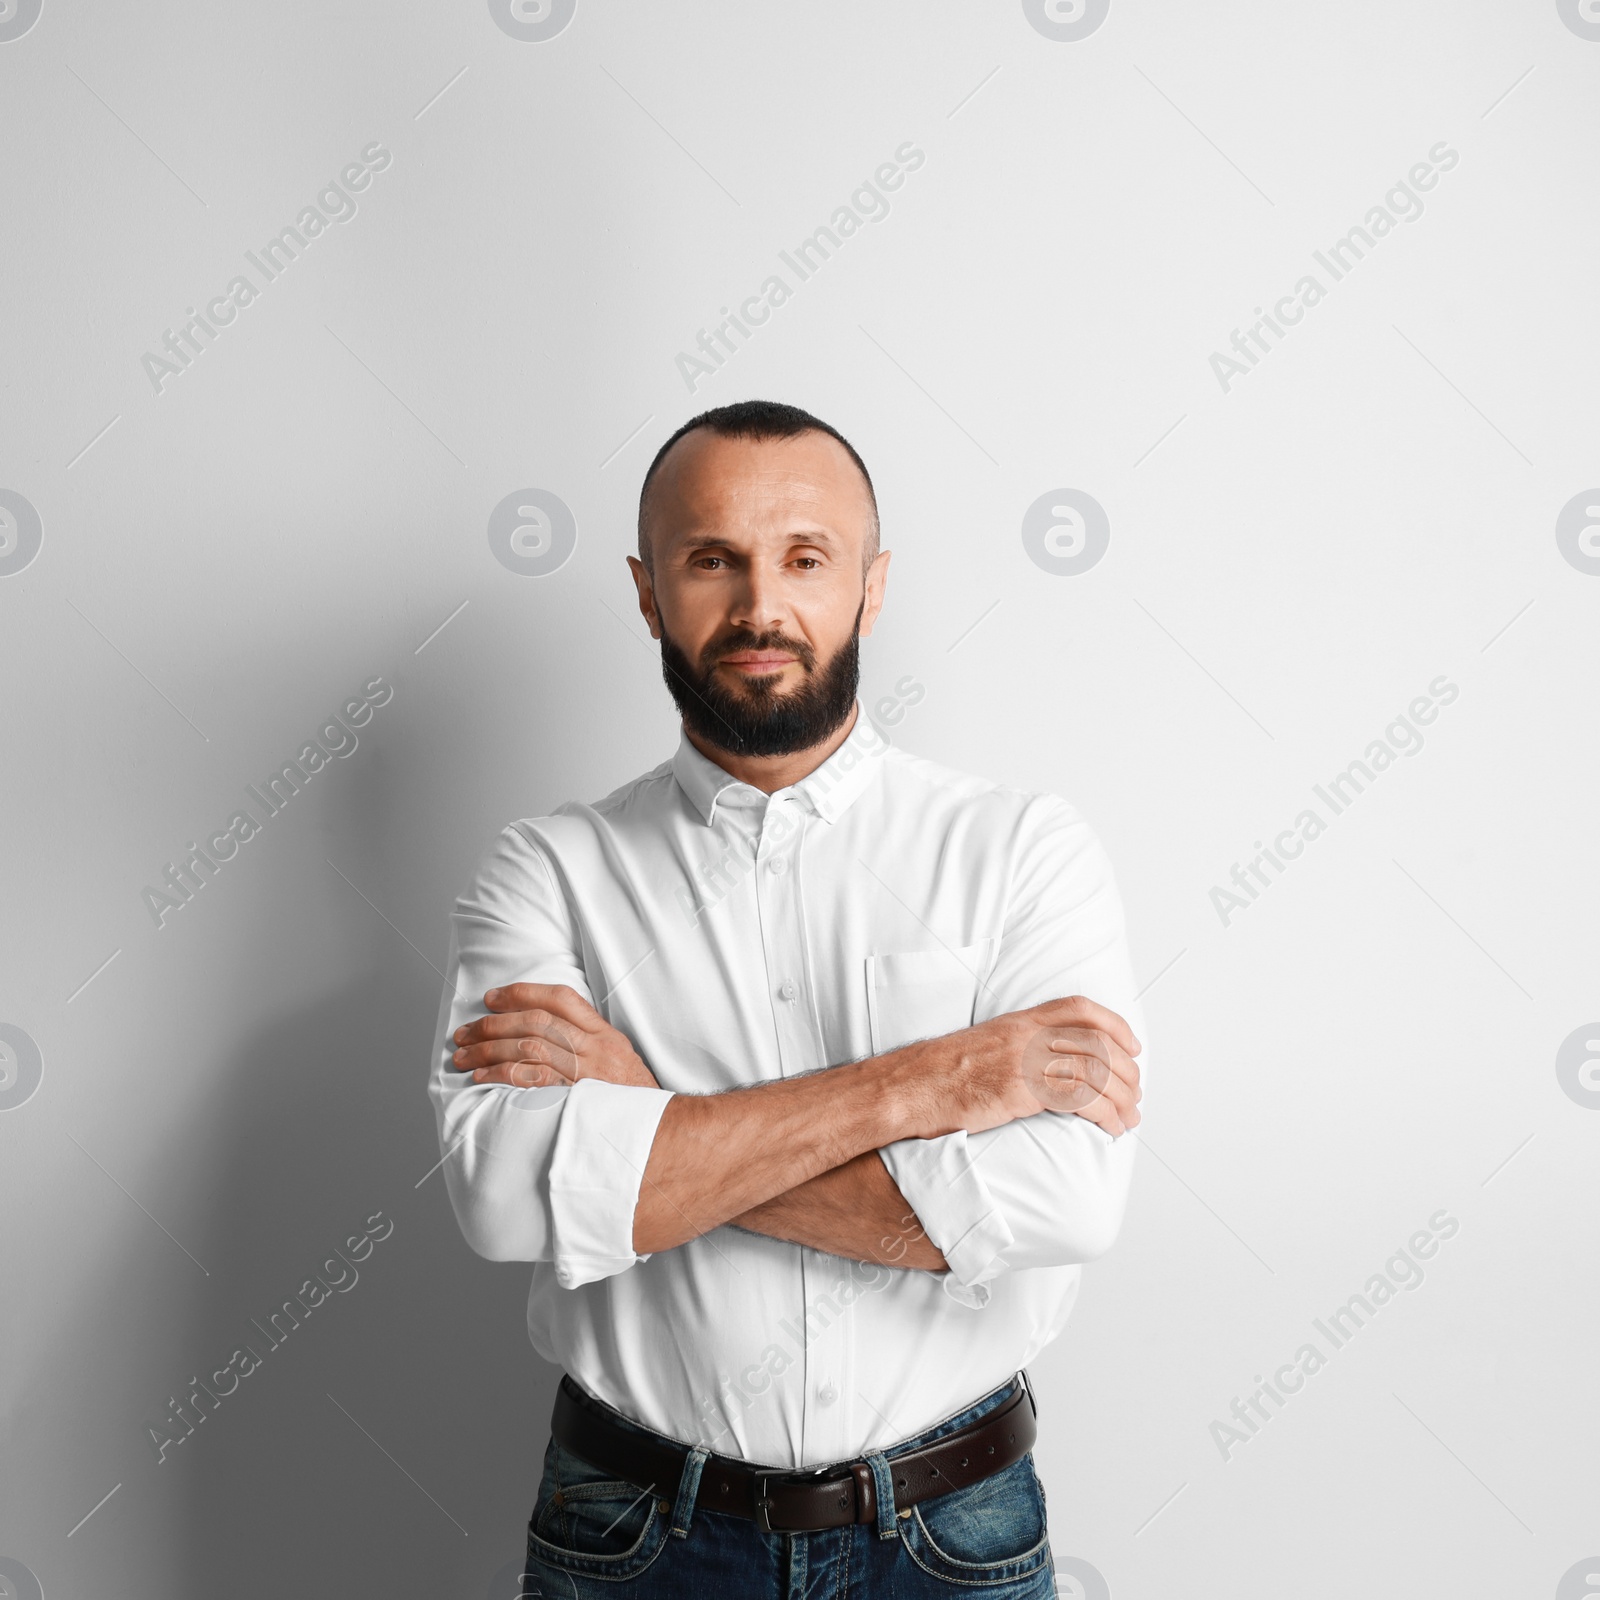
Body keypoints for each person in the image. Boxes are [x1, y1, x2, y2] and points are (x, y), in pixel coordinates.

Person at [429, 400, 1146, 1598]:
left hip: (951, 1538)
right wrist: (936, 1081)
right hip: (632, 1538)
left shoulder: (1022, 849)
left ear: (869, 587)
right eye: (712, 560)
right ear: (649, 592)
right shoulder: (544, 870)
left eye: (804, 559)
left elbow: (1062, 1204)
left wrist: (643, 1124)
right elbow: (507, 1201)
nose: (762, 605)